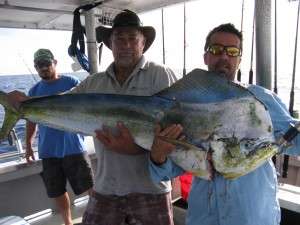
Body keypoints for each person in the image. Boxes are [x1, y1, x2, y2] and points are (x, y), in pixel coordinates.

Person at [149, 23, 300, 225]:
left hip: (252, 217)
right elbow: (168, 171)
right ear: (206, 56)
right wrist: (157, 156)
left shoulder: (262, 99)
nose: (224, 57)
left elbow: (295, 141)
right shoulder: (185, 104)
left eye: (232, 51)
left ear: (239, 59)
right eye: (216, 49)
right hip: (204, 217)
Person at [66, 10, 177, 225]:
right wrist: (26, 103)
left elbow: (178, 132)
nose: (126, 45)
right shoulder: (94, 83)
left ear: (143, 43)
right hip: (106, 189)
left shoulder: (161, 75)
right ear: (110, 44)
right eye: (119, 39)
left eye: (132, 39)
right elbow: (62, 103)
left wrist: (133, 149)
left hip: (151, 191)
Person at [14, 49, 94, 225]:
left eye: (46, 63)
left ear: (55, 63)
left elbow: (87, 107)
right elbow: (31, 120)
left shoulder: (71, 82)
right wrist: (28, 145)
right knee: (57, 191)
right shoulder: (34, 91)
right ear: (35, 67)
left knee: (90, 186)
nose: (43, 68)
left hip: (74, 147)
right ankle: (68, 223)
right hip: (48, 150)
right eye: (39, 65)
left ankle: (97, 218)